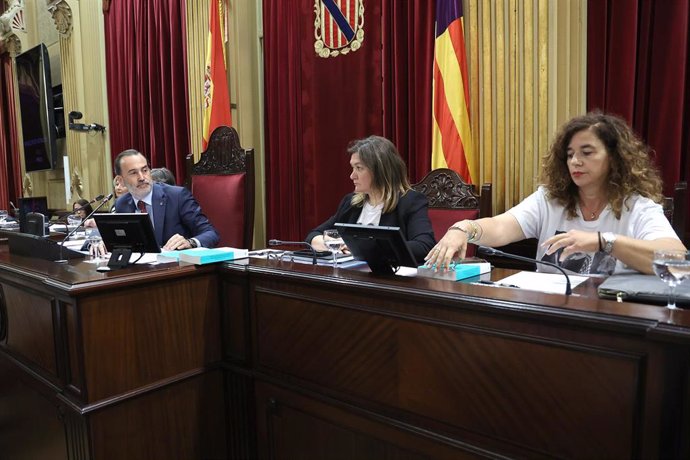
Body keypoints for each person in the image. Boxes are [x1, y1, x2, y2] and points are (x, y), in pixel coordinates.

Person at [425, 111, 686, 275]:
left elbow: (676, 259)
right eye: (570, 154)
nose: (575, 162)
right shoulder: (549, 199)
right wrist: (462, 228)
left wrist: (604, 241)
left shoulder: (637, 207)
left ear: (615, 158)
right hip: (550, 315)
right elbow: (500, 227)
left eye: (587, 152)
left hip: (611, 321)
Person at [306, 135, 435, 263]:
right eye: (353, 168)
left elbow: (424, 246)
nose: (352, 176)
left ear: (380, 171)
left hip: (388, 279)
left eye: (359, 168)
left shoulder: (410, 201)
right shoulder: (350, 203)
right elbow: (313, 235)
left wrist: (366, 249)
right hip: (350, 276)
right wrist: (335, 245)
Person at [113, 149, 220, 250]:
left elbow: (211, 233)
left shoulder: (177, 196)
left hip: (176, 266)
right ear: (120, 180)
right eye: (133, 173)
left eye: (145, 170)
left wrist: (190, 242)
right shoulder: (121, 204)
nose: (142, 177)